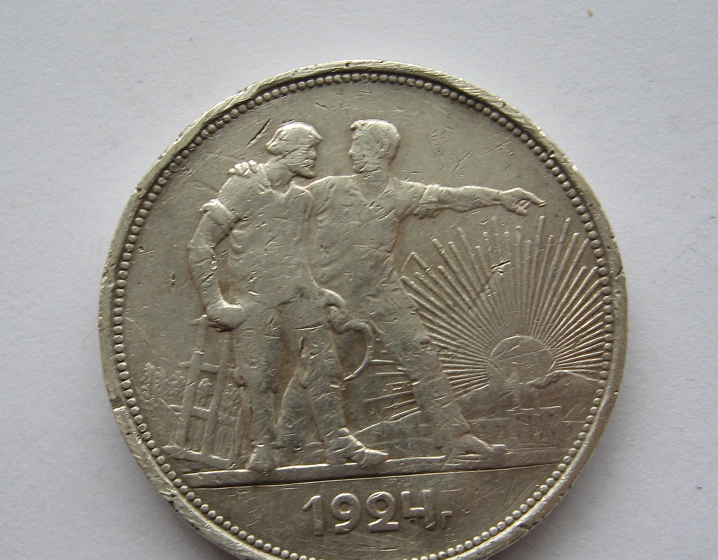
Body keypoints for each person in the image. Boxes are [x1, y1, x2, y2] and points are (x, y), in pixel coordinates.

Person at [305, 119, 546, 457]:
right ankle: (286, 442)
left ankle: (456, 438)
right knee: (318, 369)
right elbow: (281, 207)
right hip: (332, 297)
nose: (351, 153)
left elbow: (452, 198)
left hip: (382, 294)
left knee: (423, 359)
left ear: (380, 150)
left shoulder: (400, 194)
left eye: (358, 146)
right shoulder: (328, 189)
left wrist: (499, 198)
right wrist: (252, 180)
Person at [186, 121, 386, 472]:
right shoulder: (243, 185)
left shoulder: (301, 200)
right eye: (308, 150)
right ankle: (263, 447)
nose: (314, 158)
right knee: (258, 377)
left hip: (300, 299)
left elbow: (293, 256)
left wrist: (319, 293)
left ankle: (338, 443)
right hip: (255, 302)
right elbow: (201, 244)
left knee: (324, 367)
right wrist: (215, 303)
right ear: (287, 150)